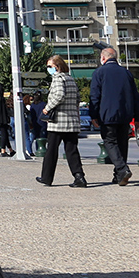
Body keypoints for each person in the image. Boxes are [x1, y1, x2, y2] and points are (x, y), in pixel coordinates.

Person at [91, 47, 139, 186]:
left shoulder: (99, 73)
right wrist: (138, 117)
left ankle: (122, 169)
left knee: (110, 142)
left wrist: (93, 115)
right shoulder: (126, 73)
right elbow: (135, 97)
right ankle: (119, 175)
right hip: (125, 114)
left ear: (103, 58)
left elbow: (95, 96)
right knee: (122, 143)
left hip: (107, 114)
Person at [35, 55, 87, 188]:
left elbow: (59, 95)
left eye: (49, 66)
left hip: (58, 122)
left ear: (57, 67)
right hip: (71, 122)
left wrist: (47, 108)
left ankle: (47, 177)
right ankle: (79, 176)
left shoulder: (57, 79)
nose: (48, 69)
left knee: (51, 151)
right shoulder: (70, 79)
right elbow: (77, 99)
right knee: (72, 150)